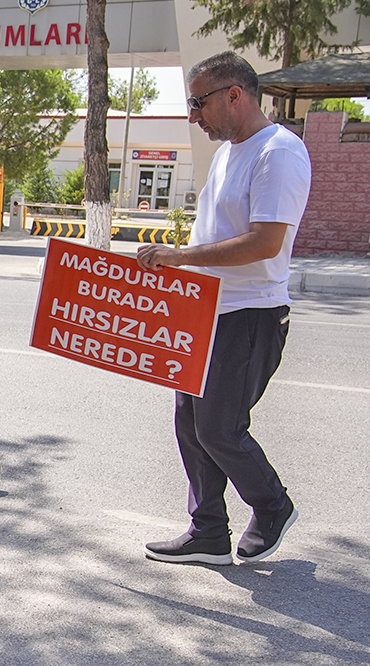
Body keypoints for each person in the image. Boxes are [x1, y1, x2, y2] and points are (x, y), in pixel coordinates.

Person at [137, 51, 310, 566]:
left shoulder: (277, 152)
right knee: (190, 425)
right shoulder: (229, 153)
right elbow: (215, 234)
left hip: (249, 314)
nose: (193, 115)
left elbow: (264, 243)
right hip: (204, 312)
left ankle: (273, 505)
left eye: (198, 103)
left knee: (219, 428)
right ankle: (208, 531)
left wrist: (180, 258)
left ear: (235, 95)